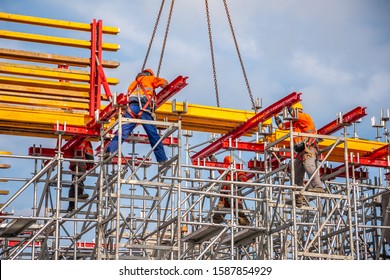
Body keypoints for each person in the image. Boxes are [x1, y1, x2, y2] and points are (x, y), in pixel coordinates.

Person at [105, 69, 168, 164]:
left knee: (123, 131)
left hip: (131, 109)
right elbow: (165, 84)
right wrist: (157, 79)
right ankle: (162, 158)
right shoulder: (150, 78)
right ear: (149, 74)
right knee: (153, 134)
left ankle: (109, 151)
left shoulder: (133, 83)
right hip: (144, 108)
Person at [274, 102, 325, 207]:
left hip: (309, 149)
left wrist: (287, 105)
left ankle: (318, 186)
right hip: (300, 152)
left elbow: (295, 114)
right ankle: (298, 197)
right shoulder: (295, 123)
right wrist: (276, 116)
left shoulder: (305, 117)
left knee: (309, 166)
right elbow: (281, 126)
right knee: (297, 174)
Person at [210, 155, 250, 226]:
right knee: (217, 217)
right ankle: (213, 230)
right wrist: (211, 157)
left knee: (241, 216)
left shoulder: (238, 172)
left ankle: (248, 230)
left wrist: (238, 180)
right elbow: (216, 164)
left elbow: (243, 178)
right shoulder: (224, 171)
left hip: (235, 199)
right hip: (224, 200)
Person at [67, 140, 94, 212]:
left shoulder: (74, 140)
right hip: (80, 162)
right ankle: (79, 193)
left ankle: (71, 205)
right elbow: (89, 153)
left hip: (75, 163)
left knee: (74, 183)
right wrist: (91, 163)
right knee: (80, 179)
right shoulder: (85, 141)